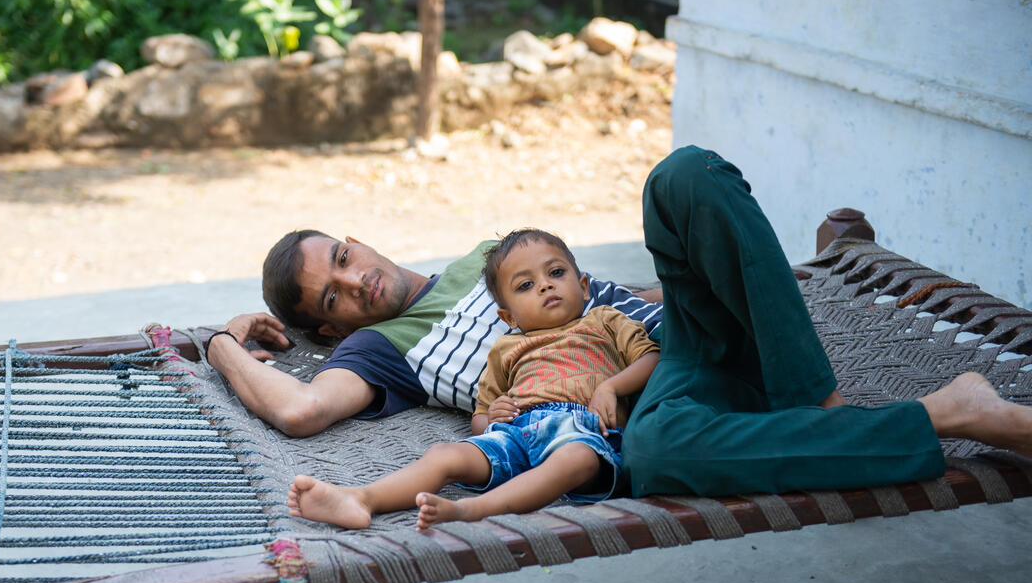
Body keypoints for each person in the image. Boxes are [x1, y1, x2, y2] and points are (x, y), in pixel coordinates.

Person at [210, 145, 1032, 498]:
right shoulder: (379, 350)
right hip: (660, 401)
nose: (357, 281)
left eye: (343, 258)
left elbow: (604, 290)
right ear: (328, 329)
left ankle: (805, 390)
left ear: (354, 240)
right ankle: (949, 411)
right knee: (660, 454)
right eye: (333, 297)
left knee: (679, 178)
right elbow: (298, 409)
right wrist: (217, 341)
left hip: (686, 334)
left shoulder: (489, 253)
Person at [285, 228, 660, 530]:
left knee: (577, 460)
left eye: (556, 273)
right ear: (507, 316)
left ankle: (474, 511)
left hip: (582, 429)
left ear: (583, 287)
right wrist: (492, 417)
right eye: (525, 286)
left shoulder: (607, 321)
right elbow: (482, 418)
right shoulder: (507, 347)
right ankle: (361, 498)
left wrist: (612, 387)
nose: (545, 285)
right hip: (518, 432)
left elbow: (650, 357)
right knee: (445, 455)